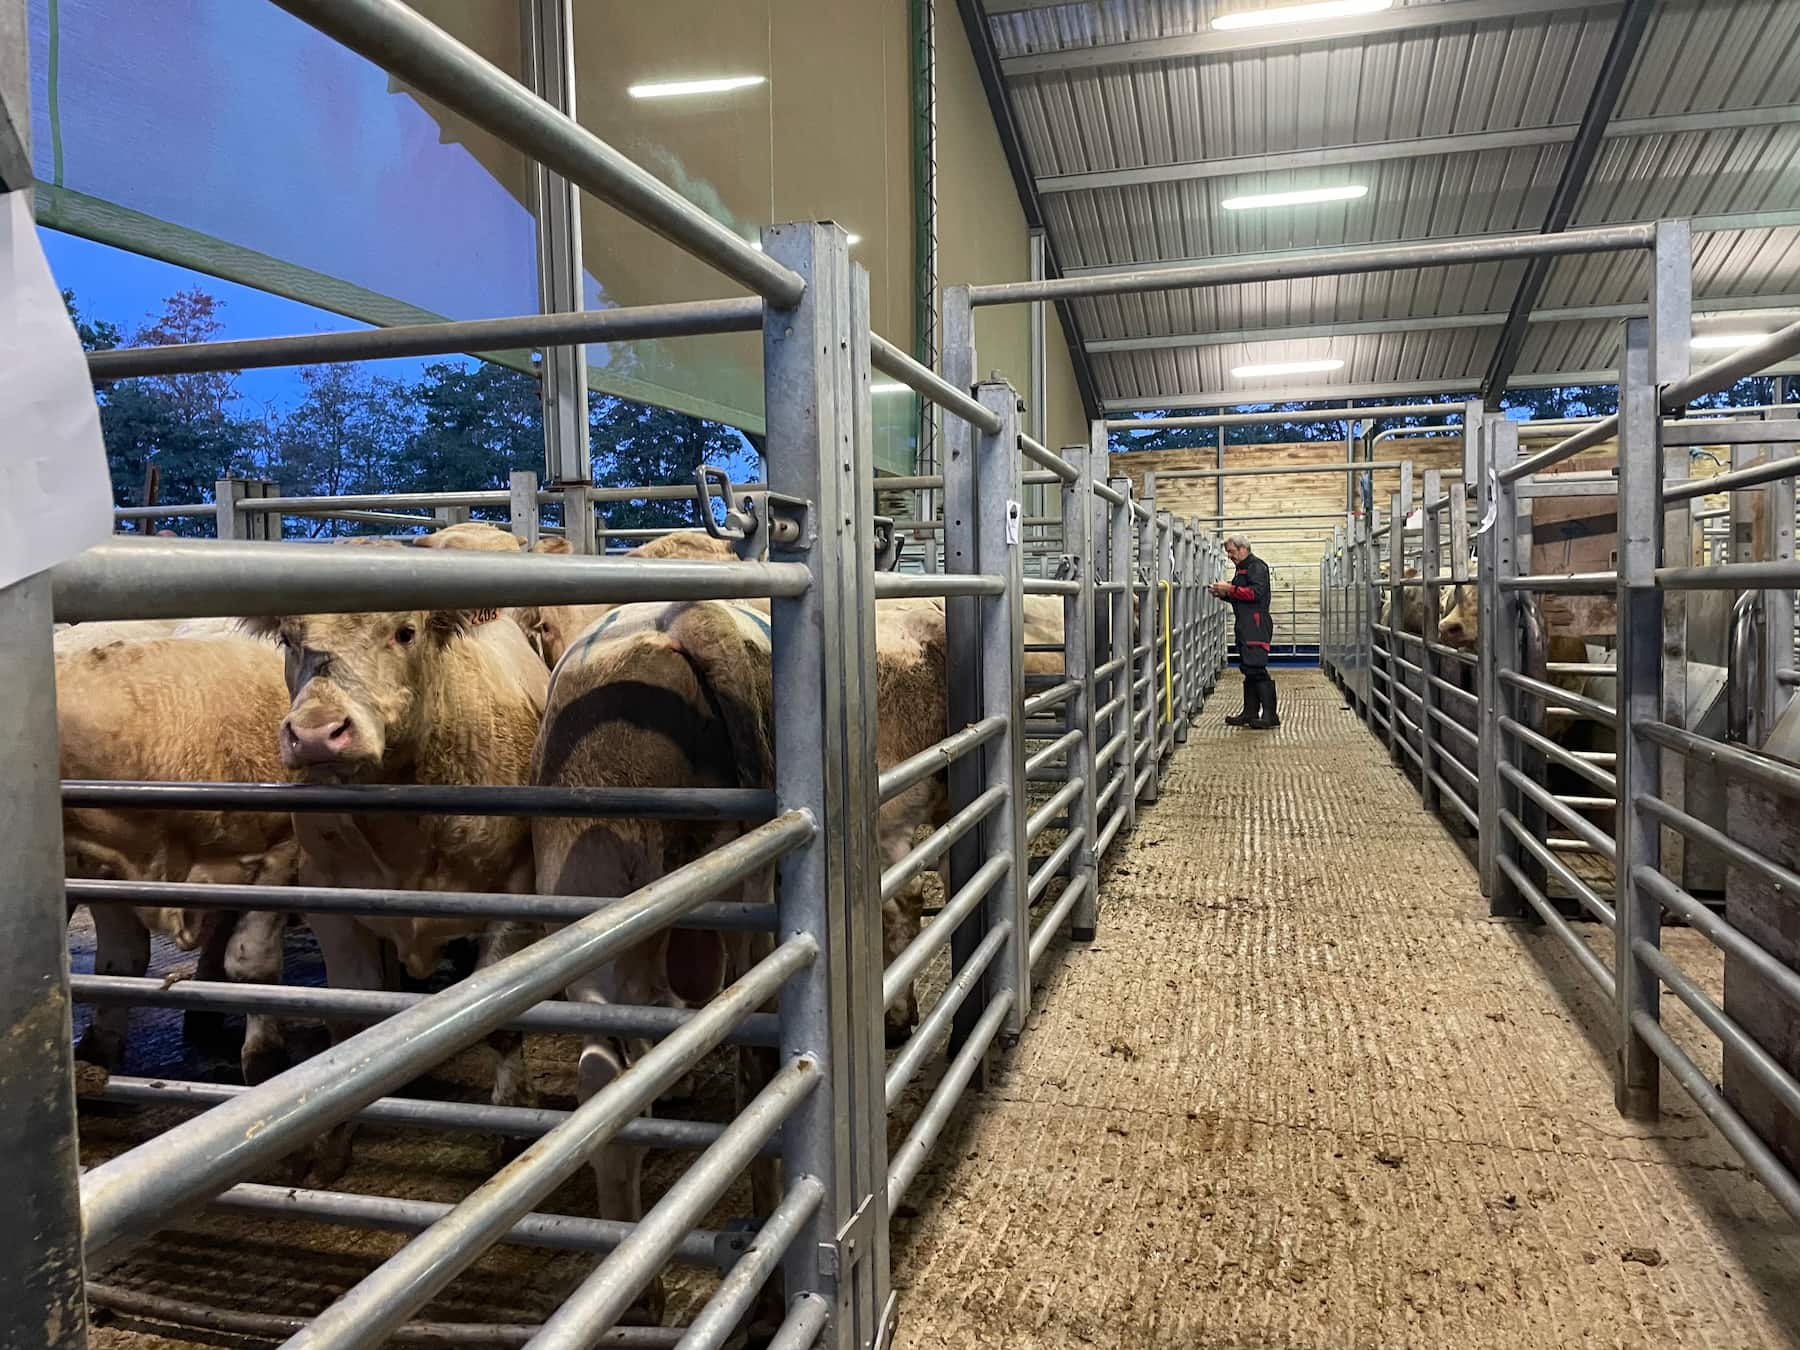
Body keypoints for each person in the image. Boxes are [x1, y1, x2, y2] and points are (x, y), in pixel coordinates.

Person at [1209, 534, 1278, 729]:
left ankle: (1270, 715)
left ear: (1242, 548)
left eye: (1231, 552)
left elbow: (1255, 594)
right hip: (1246, 624)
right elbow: (1240, 596)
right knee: (1249, 669)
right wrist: (1223, 594)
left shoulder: (1257, 567)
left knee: (1256, 668)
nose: (1230, 556)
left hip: (1256, 624)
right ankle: (1250, 712)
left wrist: (1229, 589)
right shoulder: (1242, 569)